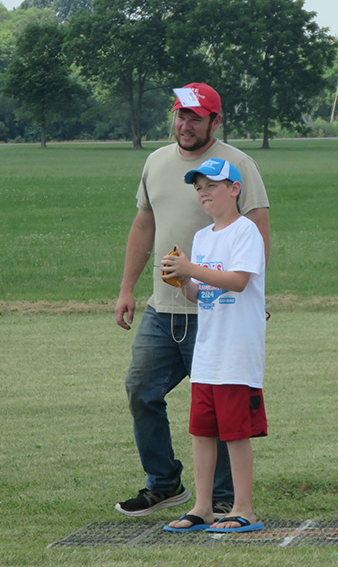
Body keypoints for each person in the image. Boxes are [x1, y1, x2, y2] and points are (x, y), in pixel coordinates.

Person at [114, 83, 270, 518]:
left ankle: (224, 498)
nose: (185, 125)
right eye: (180, 116)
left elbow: (257, 230)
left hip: (218, 311)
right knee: (141, 389)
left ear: (214, 122)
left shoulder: (238, 165)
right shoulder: (156, 162)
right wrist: (128, 288)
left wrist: (257, 295)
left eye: (195, 118)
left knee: (221, 402)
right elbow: (144, 225)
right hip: (163, 306)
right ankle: (164, 484)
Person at [163, 158, 266, 533]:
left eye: (212, 185)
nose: (204, 193)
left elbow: (238, 281)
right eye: (199, 187)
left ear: (235, 189)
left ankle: (244, 509)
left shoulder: (246, 232)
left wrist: (191, 269)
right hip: (207, 351)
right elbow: (200, 293)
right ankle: (203, 507)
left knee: (236, 431)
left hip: (237, 350)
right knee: (202, 430)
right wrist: (183, 280)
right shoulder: (203, 237)